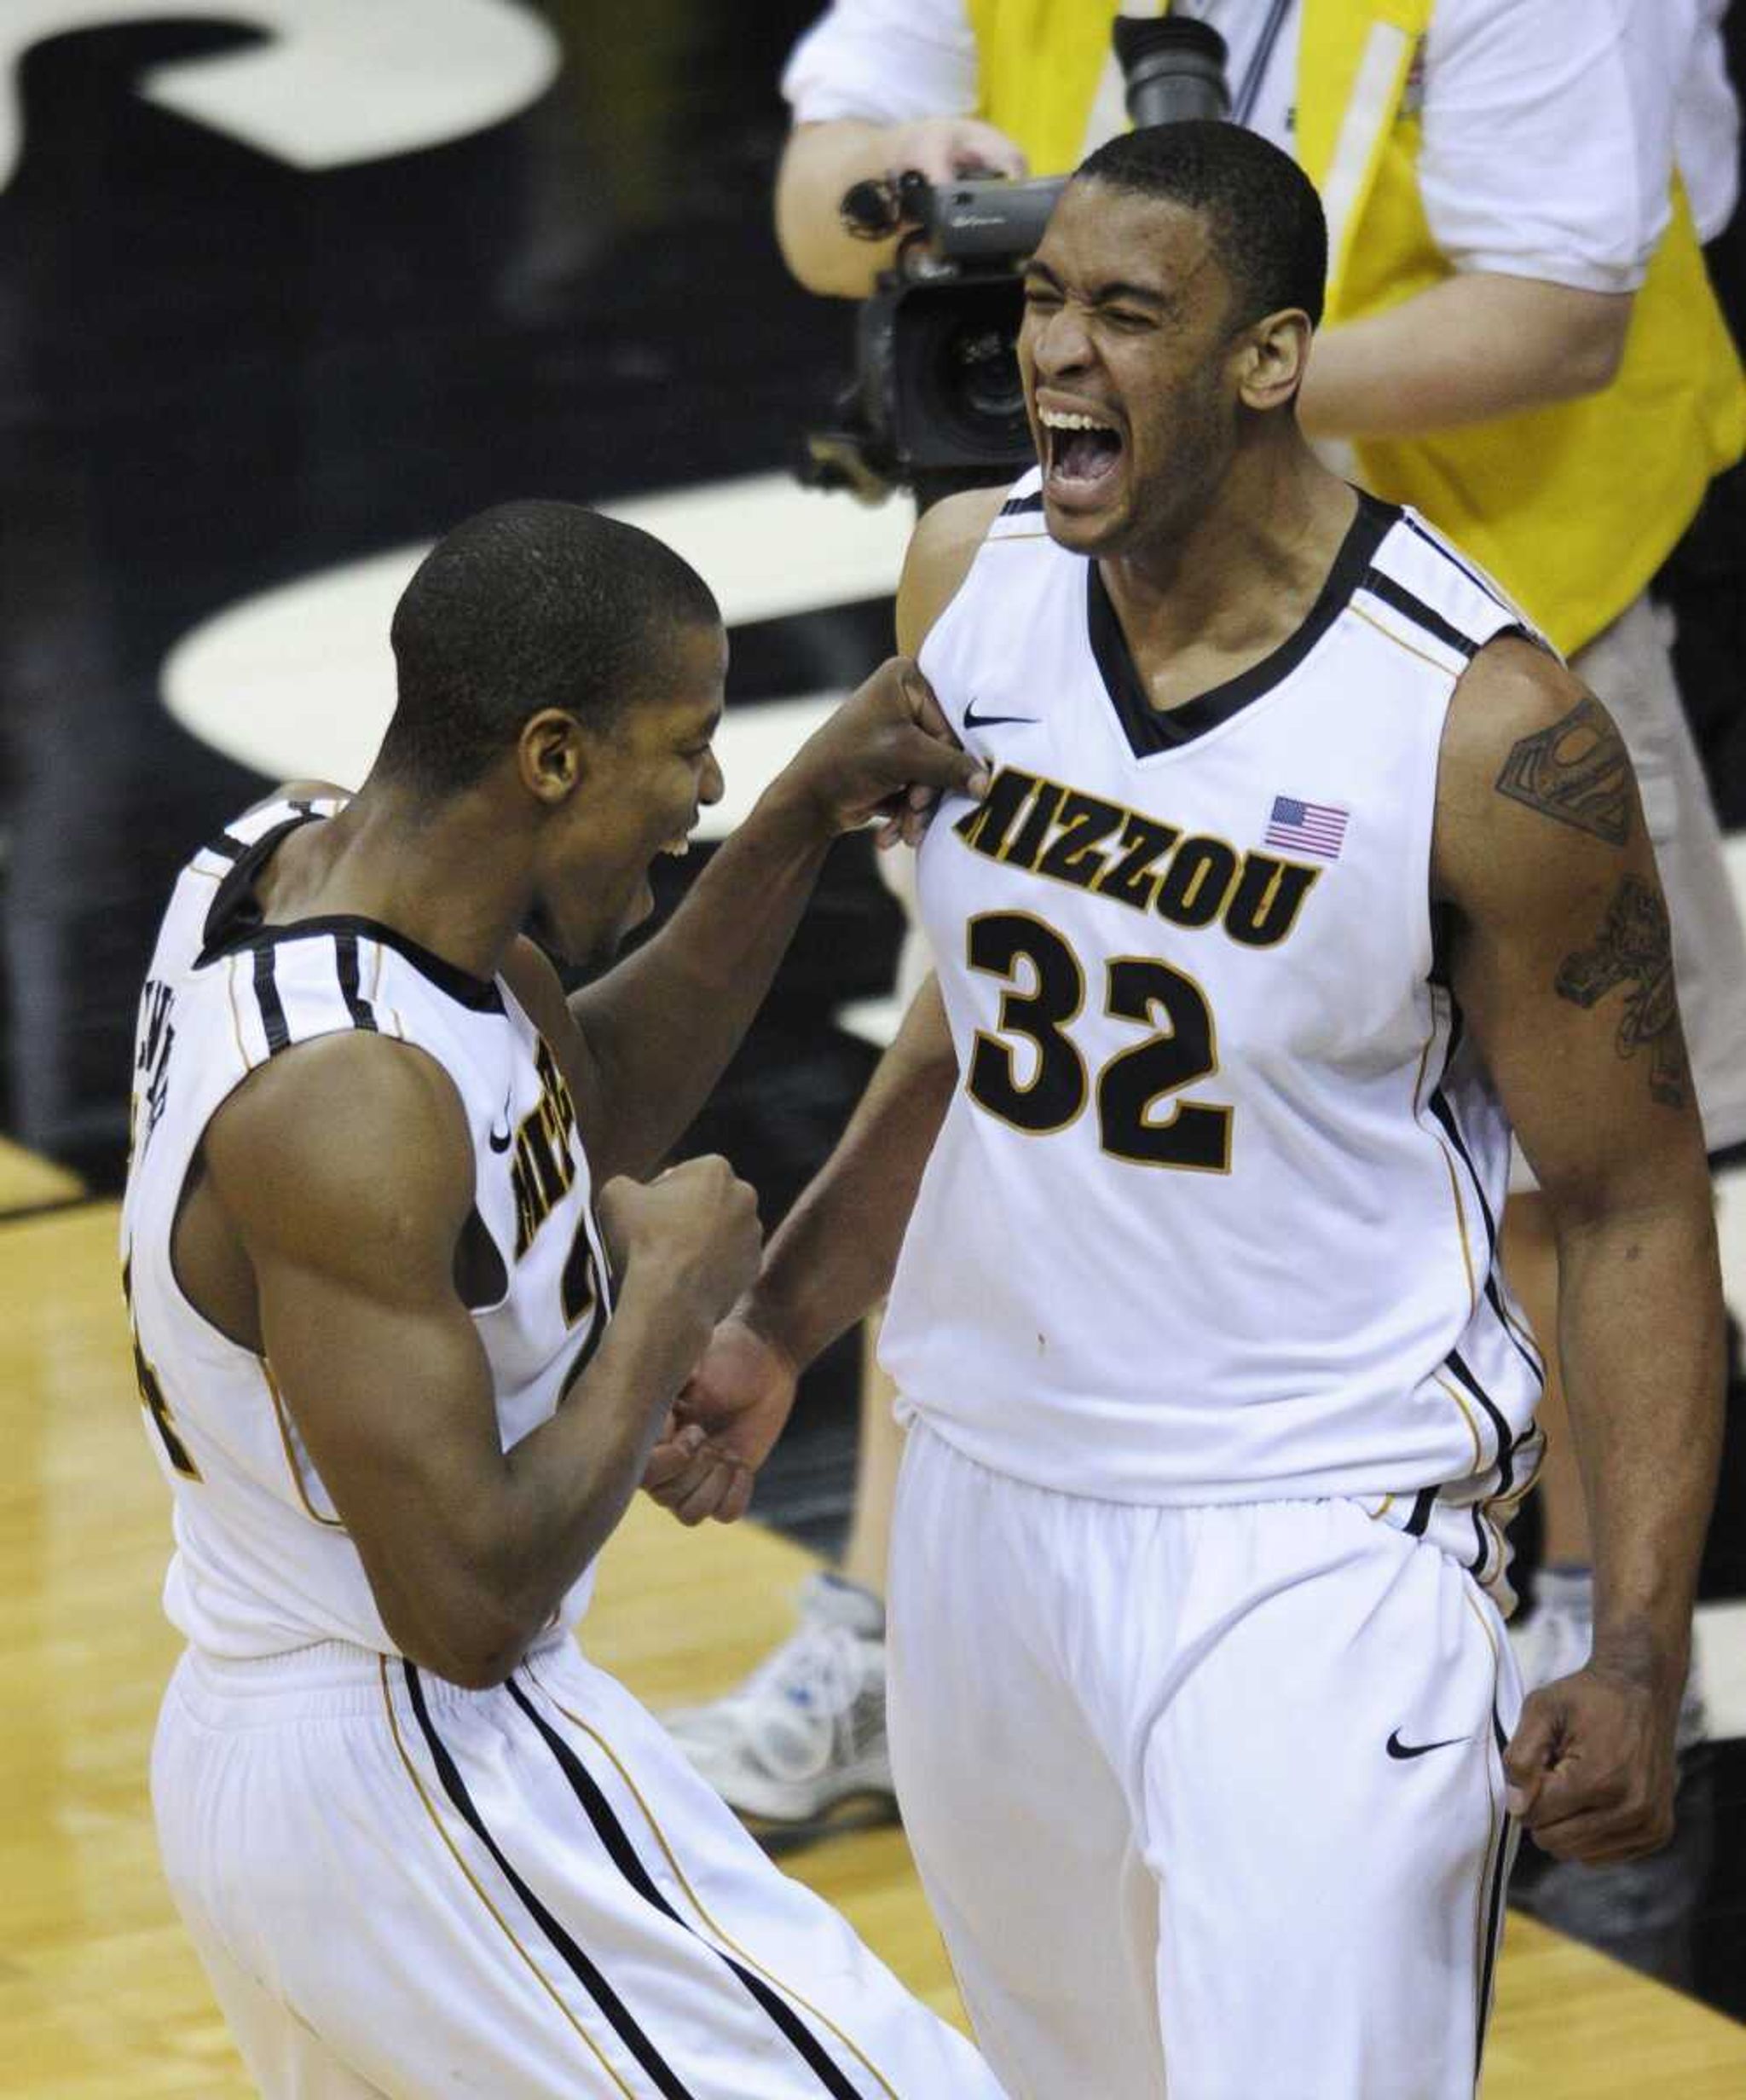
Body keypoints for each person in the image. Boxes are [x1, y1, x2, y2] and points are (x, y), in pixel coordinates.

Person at [644, 125, 1727, 2097]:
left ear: (1270, 359)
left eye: (1127, 313)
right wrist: (783, 1320)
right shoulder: (967, 578)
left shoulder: (1487, 730)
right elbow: (965, 1022)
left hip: (1313, 1535)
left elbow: (1638, 1198)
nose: (1057, 351)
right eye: (1046, 296)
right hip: (988, 1499)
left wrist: (1638, 1638)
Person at [123, 500, 1008, 2098]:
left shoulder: (286, 870)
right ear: (550, 757)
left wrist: (801, 819)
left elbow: (568, 1102)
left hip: (288, 1758)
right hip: (420, 1768)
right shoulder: (345, 1105)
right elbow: (465, 1607)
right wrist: (665, 1306)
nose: (710, 788)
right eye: (689, 747)